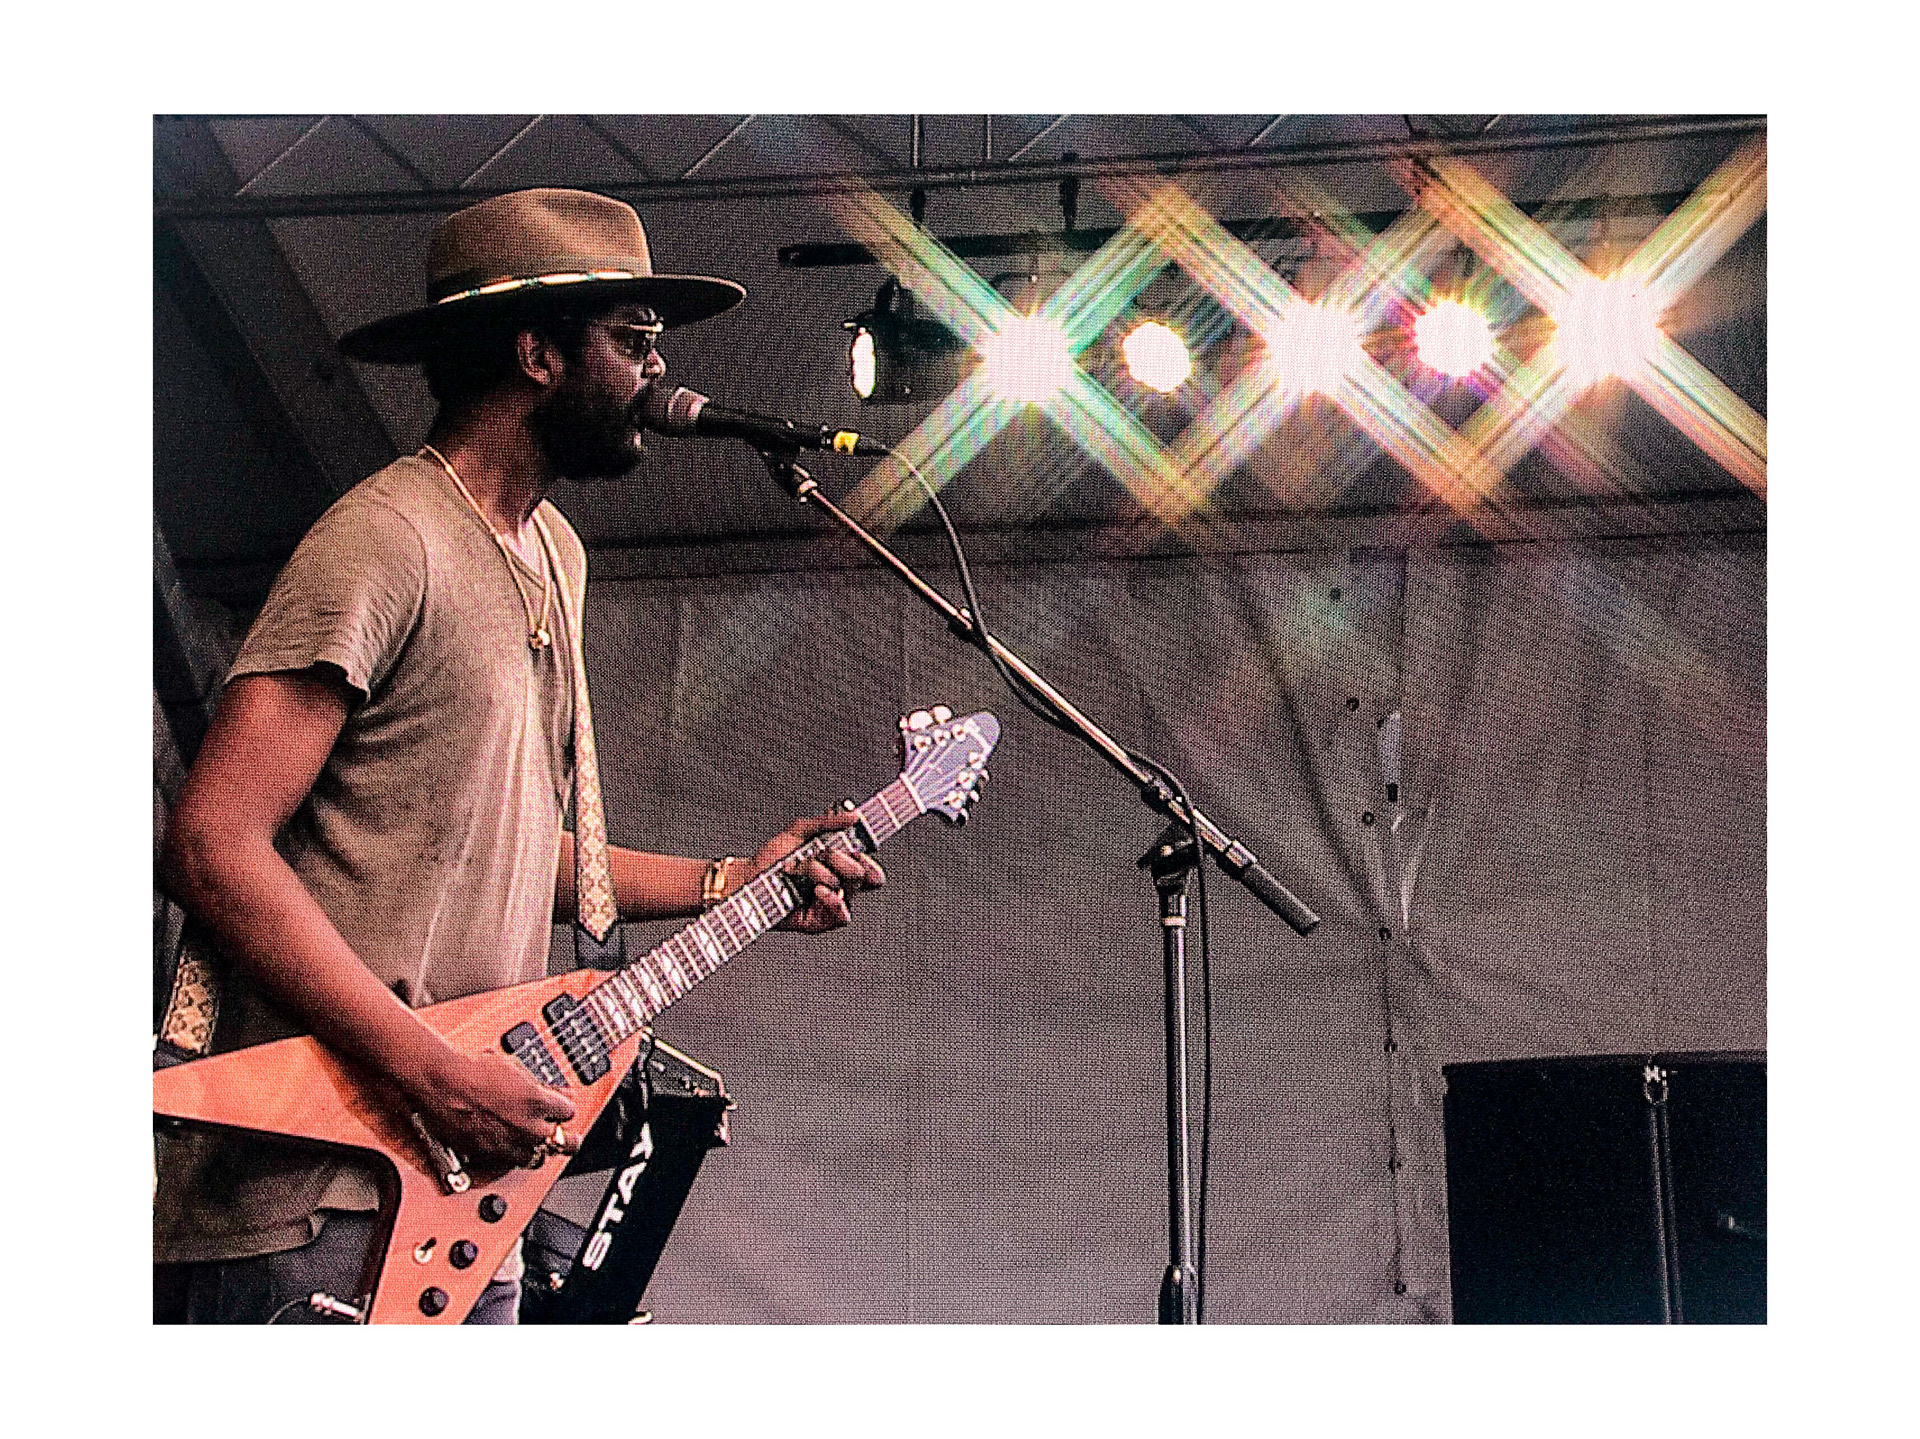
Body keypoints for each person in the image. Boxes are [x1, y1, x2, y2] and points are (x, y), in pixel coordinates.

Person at [152, 188, 885, 1324]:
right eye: (634, 341)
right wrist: (430, 1067)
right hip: (311, 1201)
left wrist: (737, 881)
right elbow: (210, 841)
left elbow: (499, 844)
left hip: (462, 1194)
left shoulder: (555, 554)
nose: (659, 372)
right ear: (537, 350)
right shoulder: (386, 539)